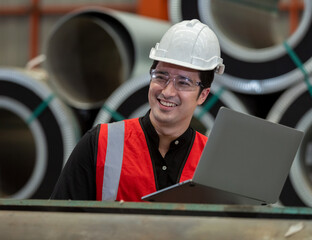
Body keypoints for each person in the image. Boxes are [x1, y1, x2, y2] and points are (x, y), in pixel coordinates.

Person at [51, 19, 225, 201]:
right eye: (161, 76)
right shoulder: (100, 144)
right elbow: (59, 219)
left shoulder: (213, 163)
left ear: (203, 95)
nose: (167, 91)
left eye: (183, 82)